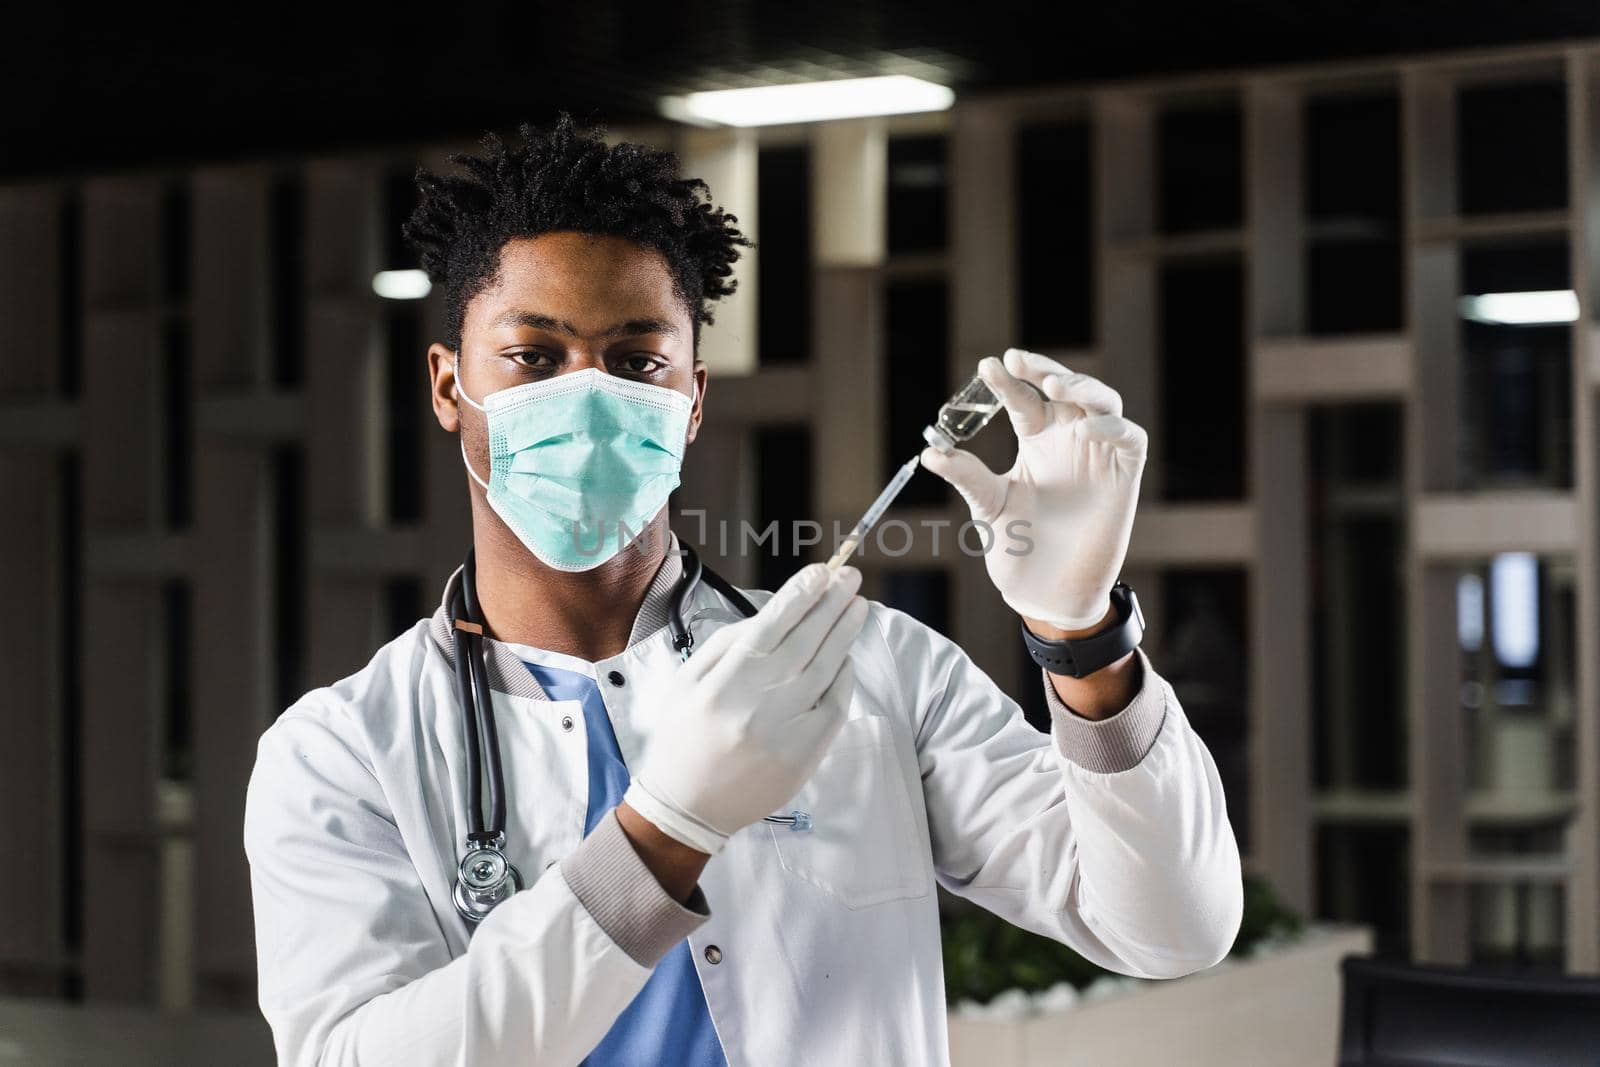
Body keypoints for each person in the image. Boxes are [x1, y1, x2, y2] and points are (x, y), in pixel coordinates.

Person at [242, 113, 1242, 1067]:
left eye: (637, 359)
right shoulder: (340, 754)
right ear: (449, 384)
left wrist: (1081, 635)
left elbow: (1170, 927)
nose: (588, 396)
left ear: (691, 401)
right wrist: (667, 829)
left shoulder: (868, 667)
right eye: (533, 356)